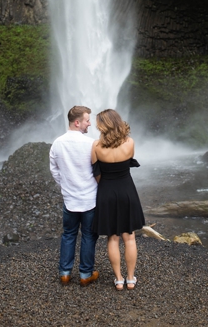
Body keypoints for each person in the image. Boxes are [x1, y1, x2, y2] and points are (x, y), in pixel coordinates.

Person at [91, 109, 144, 291]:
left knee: (112, 238)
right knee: (129, 237)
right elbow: (128, 163)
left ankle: (119, 280)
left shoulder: (96, 147)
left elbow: (96, 173)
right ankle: (131, 279)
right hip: (127, 191)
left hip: (106, 192)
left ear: (103, 126)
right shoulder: (129, 143)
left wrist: (105, 184)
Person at [49, 106, 100, 287]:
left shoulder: (57, 143)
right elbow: (97, 170)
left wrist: (65, 185)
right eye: (87, 120)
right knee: (88, 235)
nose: (89, 124)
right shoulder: (91, 143)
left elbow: (54, 170)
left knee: (69, 234)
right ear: (77, 122)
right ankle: (85, 274)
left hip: (69, 199)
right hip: (89, 198)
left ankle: (65, 273)